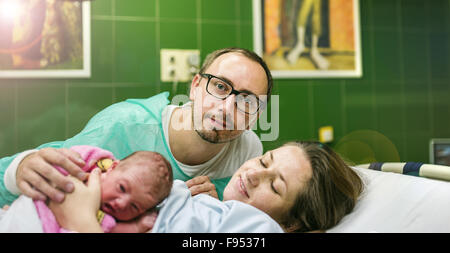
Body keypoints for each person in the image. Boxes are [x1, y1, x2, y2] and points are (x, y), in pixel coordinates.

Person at [0, 47, 274, 230]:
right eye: (219, 86)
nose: (227, 108)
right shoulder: (124, 127)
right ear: (195, 86)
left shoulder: (249, 153)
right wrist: (20, 169)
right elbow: (12, 176)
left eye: (247, 100)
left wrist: (215, 203)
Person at [49, 141, 364, 233]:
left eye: (276, 186)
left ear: (291, 223)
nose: (254, 174)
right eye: (265, 161)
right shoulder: (211, 207)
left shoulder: (259, 231)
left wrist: (81, 222)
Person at [0, 145, 172, 233]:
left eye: (134, 207)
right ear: (111, 168)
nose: (121, 203)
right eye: (121, 188)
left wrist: (136, 227)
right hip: (24, 215)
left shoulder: (109, 221)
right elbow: (59, 162)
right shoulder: (87, 166)